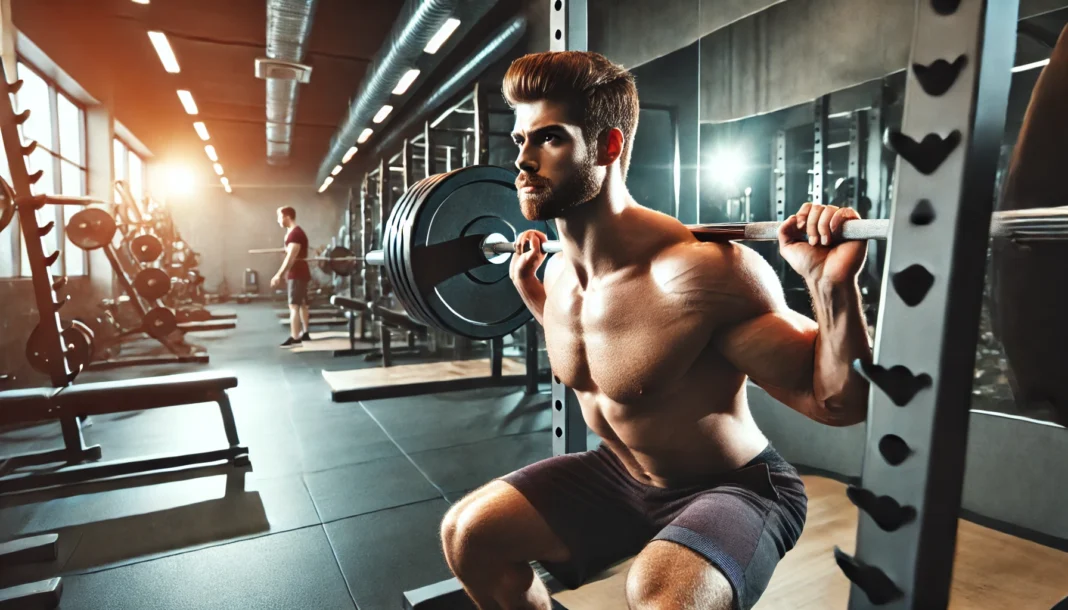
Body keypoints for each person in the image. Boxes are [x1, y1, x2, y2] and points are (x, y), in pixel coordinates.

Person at [440, 52, 872, 610]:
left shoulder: (699, 274)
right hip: (620, 475)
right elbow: (605, 348)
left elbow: (836, 404)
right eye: (520, 140)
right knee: (469, 535)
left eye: (548, 139)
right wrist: (534, 298)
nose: (522, 161)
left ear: (607, 145)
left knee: (663, 598)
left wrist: (831, 286)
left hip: (734, 486)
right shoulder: (557, 274)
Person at [271, 206, 311, 347]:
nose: (278, 221)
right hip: (301, 271)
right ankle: (305, 332)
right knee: (302, 304)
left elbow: (291, 258)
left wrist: (278, 274)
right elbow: (292, 252)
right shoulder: (292, 233)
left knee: (293, 305)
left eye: (279, 217)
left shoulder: (295, 234)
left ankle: (295, 337)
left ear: (287, 217)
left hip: (297, 272)